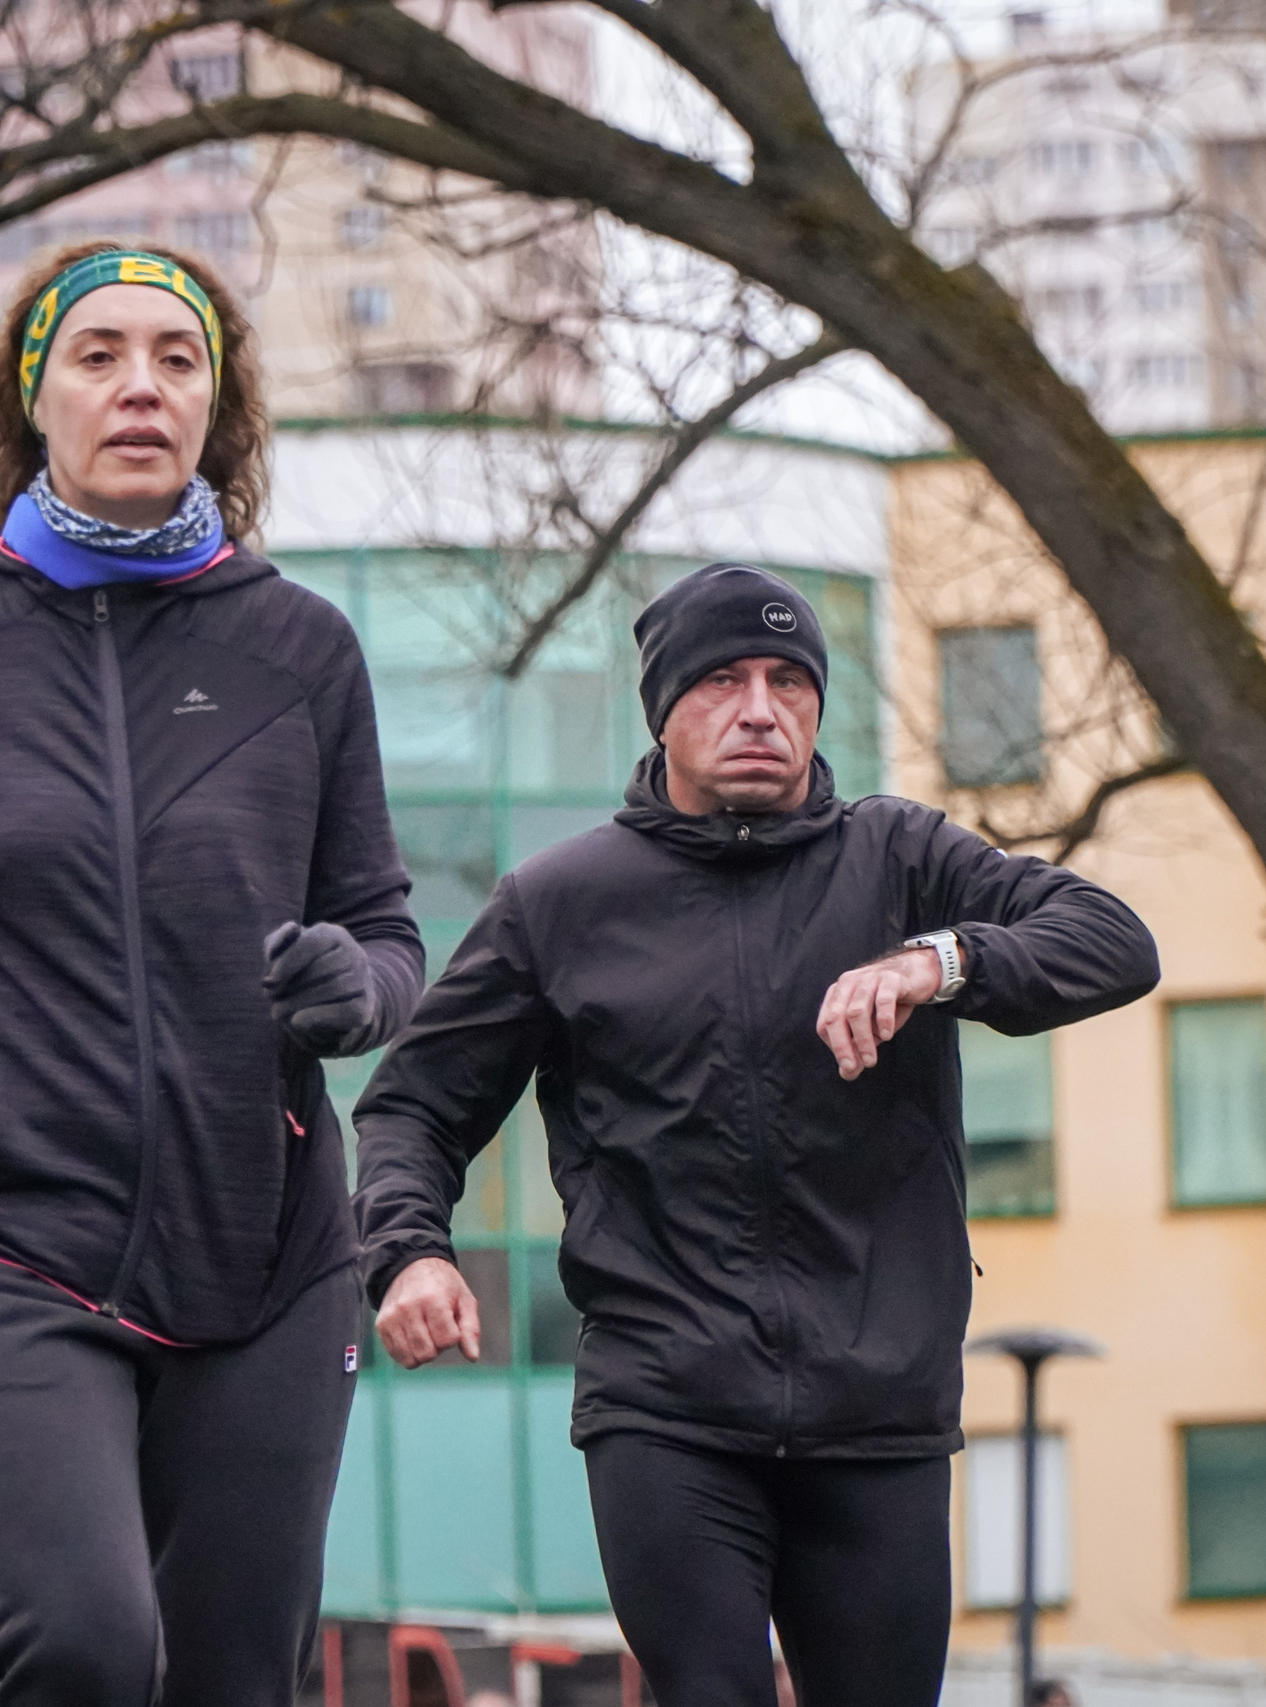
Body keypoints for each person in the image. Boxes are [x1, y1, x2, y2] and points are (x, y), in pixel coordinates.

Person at [0, 241, 421, 1705]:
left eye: (177, 359)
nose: (141, 384)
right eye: (100, 354)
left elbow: (388, 932)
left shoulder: (300, 649)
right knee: (84, 1643)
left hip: (267, 1258)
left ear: (219, 408)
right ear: (34, 393)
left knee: (232, 1677)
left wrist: (355, 988)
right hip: (13, 1239)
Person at [355, 565, 1162, 1707]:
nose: (759, 708)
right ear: (663, 711)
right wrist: (410, 1250)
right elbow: (411, 1105)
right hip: (667, 1407)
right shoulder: (561, 903)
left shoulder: (900, 862)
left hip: (877, 1411)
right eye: (722, 680)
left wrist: (939, 961)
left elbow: (1115, 942)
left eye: (789, 681)